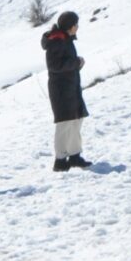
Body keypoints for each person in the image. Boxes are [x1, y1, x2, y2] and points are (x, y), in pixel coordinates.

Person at [43, 11, 90, 172]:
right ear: (70, 26)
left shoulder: (65, 39)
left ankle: (74, 155)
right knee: (65, 124)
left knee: (76, 120)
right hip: (61, 90)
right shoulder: (57, 40)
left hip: (70, 87)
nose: (77, 27)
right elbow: (54, 66)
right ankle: (60, 160)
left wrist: (76, 64)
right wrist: (76, 63)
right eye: (76, 24)